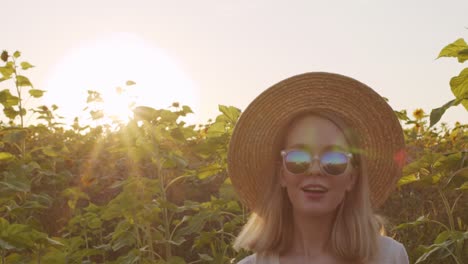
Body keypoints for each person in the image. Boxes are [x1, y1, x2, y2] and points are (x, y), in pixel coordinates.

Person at [227, 72, 409, 263]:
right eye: (298, 158)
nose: (314, 170)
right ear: (282, 174)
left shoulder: (389, 257)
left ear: (352, 178)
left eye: (334, 160)